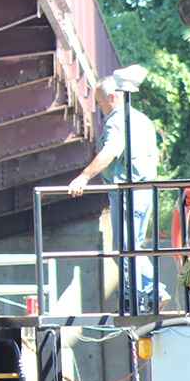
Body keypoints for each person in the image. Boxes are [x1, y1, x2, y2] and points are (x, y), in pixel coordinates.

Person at [67, 75, 168, 310]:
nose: (101, 109)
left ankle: (149, 292)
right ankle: (144, 296)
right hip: (145, 192)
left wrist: (83, 177)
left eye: (101, 103)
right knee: (133, 247)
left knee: (124, 249)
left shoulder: (116, 121)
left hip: (128, 193)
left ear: (112, 98)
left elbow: (111, 151)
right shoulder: (142, 120)